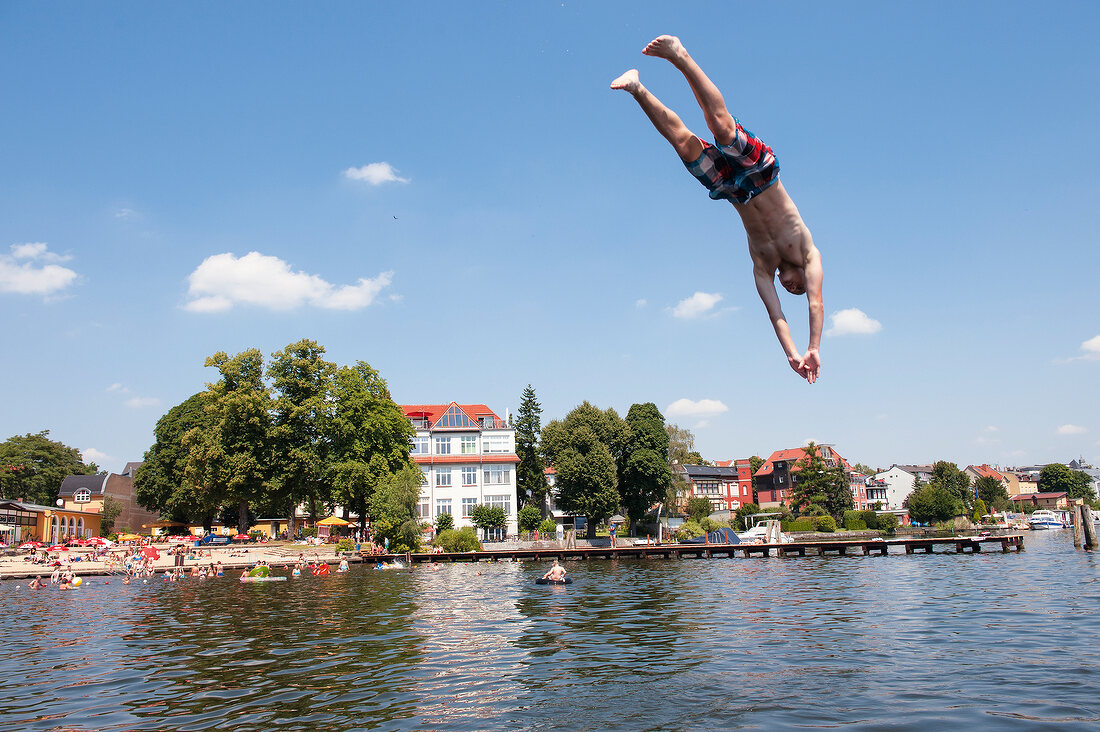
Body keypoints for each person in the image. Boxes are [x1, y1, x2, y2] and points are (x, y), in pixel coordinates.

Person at [612, 35, 823, 383]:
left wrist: (792, 354)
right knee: (722, 128)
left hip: (733, 191)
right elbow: (816, 304)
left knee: (684, 144)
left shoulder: (762, 266)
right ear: (804, 274)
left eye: (792, 292)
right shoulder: (808, 251)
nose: (793, 290)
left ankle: (637, 87)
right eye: (800, 287)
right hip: (763, 176)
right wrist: (814, 345)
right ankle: (680, 56)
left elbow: (777, 317)